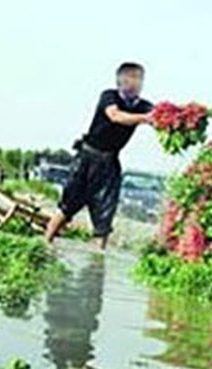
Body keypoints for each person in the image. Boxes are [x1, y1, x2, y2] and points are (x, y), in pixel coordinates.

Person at [44, 62, 154, 250]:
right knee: (68, 205)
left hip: (109, 163)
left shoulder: (143, 106)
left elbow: (160, 116)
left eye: (140, 79)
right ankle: (45, 244)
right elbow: (115, 116)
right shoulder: (109, 96)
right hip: (87, 157)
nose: (137, 83)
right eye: (133, 78)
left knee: (105, 215)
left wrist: (174, 118)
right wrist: (145, 119)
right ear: (122, 80)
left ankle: (97, 259)